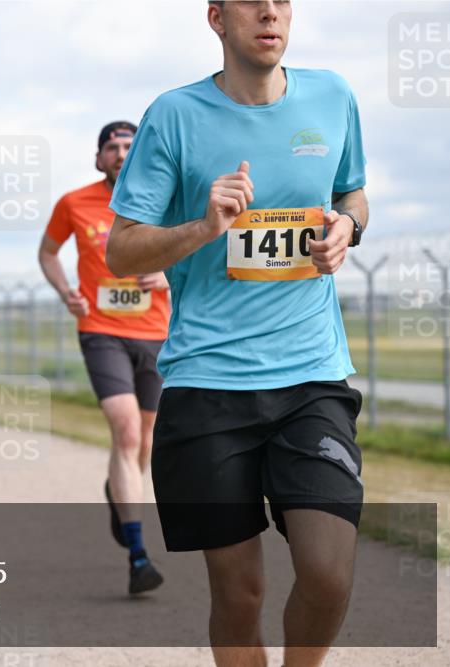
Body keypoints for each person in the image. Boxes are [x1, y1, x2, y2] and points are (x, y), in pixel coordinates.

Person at [105, 2, 368, 663]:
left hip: (311, 378)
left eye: (282, 0)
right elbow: (122, 251)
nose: (271, 11)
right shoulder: (174, 114)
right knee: (240, 592)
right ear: (218, 18)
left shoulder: (333, 96)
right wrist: (203, 226)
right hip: (207, 385)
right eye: (253, 1)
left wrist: (348, 228)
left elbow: (353, 193)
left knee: (328, 572)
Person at [39, 120, 171, 595]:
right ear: (99, 159)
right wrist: (65, 292)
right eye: (112, 147)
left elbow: (199, 249)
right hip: (101, 331)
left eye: (130, 146)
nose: (120, 152)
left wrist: (169, 276)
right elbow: (49, 252)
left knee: (145, 444)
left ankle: (121, 498)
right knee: (127, 429)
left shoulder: (167, 199)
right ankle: (138, 555)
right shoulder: (74, 203)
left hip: (157, 334)